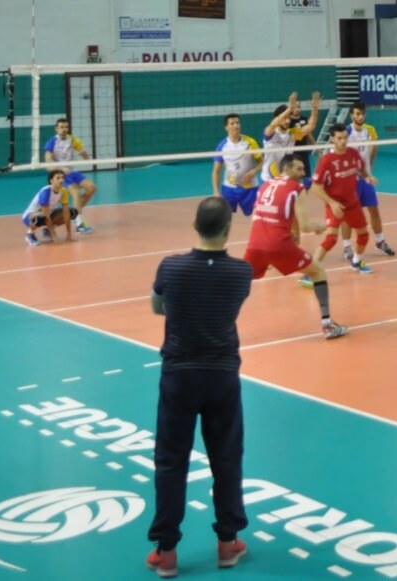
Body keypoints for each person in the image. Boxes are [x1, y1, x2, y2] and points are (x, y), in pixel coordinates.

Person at [146, 197, 252, 577]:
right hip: (222, 375)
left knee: (170, 462)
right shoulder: (242, 273)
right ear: (228, 229)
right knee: (226, 460)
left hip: (179, 375)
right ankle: (228, 544)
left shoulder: (170, 267)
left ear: (194, 225)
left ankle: (166, 552)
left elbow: (158, 307)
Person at [243, 154, 350, 339]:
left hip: (255, 243)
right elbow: (307, 225)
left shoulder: (265, 185)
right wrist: (321, 227)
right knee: (317, 271)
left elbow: (268, 213)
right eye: (299, 169)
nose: (302, 173)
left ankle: (216, 325)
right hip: (278, 244)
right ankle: (327, 325)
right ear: (286, 169)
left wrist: (294, 234)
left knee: (240, 283)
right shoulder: (296, 189)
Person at [307, 123, 376, 276]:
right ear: (332, 139)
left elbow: (361, 168)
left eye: (345, 138)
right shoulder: (326, 160)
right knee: (331, 239)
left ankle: (357, 261)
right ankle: (311, 272)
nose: (343, 141)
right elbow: (315, 187)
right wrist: (332, 203)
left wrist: (368, 177)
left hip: (352, 203)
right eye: (339, 138)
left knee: (364, 234)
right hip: (335, 205)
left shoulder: (353, 154)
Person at [338, 101, 395, 259]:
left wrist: (369, 169)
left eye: (362, 113)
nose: (360, 116)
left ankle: (380, 241)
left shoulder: (370, 130)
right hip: (350, 182)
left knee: (374, 210)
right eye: (357, 114)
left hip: (366, 179)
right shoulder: (346, 132)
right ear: (351, 115)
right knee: (348, 216)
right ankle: (347, 247)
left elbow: (374, 148)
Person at [43, 118, 96, 233]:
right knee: (75, 192)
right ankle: (79, 223)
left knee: (91, 187)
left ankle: (74, 214)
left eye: (66, 127)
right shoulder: (51, 142)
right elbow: (48, 162)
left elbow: (82, 152)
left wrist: (87, 157)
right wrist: (59, 169)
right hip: (60, 175)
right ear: (56, 129)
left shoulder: (72, 139)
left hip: (73, 172)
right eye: (61, 127)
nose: (64, 129)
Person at [212, 113, 263, 215]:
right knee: (225, 217)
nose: (236, 125)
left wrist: (254, 171)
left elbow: (262, 162)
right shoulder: (222, 146)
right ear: (226, 127)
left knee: (256, 215)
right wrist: (216, 192)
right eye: (232, 123)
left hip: (250, 188)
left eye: (238, 123)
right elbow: (216, 172)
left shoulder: (250, 142)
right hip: (229, 188)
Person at [21, 170, 75, 246]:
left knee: (72, 212)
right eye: (58, 178)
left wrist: (69, 235)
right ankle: (30, 234)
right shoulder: (46, 192)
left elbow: (66, 213)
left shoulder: (64, 192)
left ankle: (47, 231)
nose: (61, 180)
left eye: (62, 178)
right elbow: (46, 215)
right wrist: (55, 236)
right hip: (30, 217)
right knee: (40, 217)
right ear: (51, 181)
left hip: (48, 214)